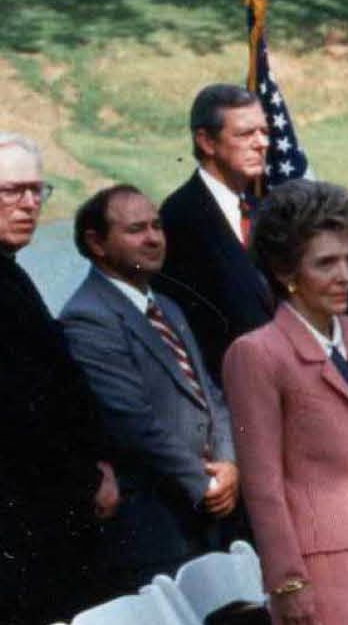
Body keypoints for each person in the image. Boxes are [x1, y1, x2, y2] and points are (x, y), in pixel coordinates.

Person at [222, 179, 348, 625]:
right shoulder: (257, 354)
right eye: (325, 263)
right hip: (319, 574)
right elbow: (263, 486)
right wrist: (287, 585)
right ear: (286, 271)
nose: (344, 274)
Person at [57, 186, 237, 596]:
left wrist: (229, 463)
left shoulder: (167, 307)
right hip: (156, 528)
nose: (154, 238)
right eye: (136, 229)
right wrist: (203, 482)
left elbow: (210, 394)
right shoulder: (88, 318)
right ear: (96, 243)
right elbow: (131, 419)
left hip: (210, 513)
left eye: (157, 226)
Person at [0, 135, 117, 625]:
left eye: (35, 190)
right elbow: (21, 410)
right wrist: (86, 476)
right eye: (11, 191)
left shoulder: (13, 271)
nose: (28, 204)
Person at [157, 83, 275, 374]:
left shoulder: (266, 209)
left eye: (264, 131)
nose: (262, 143)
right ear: (206, 142)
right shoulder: (179, 217)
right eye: (246, 134)